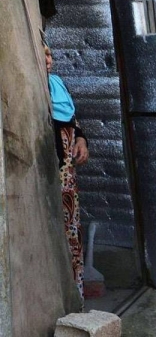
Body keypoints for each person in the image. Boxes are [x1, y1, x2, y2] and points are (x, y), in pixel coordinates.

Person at [45, 45, 89, 302]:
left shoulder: (56, 84)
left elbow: (72, 120)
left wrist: (81, 140)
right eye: (42, 55)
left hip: (66, 178)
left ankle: (76, 300)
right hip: (42, 176)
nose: (48, 60)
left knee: (70, 231)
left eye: (49, 54)